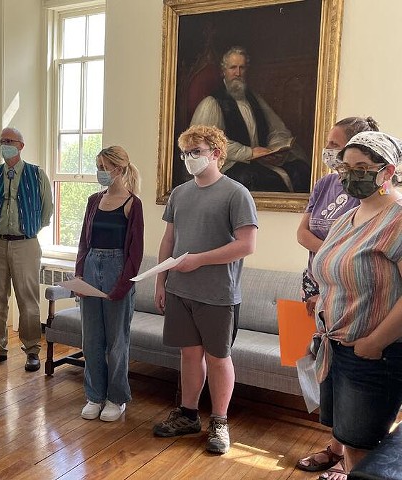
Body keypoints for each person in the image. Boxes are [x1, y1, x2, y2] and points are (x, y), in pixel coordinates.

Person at [152, 125, 258, 454]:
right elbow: (169, 240)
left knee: (218, 358)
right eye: (185, 153)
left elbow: (246, 245)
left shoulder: (236, 193)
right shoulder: (180, 194)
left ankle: (220, 421)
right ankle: (187, 414)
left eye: (196, 151)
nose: (189, 158)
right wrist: (160, 280)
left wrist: (199, 260)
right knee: (188, 354)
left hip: (218, 293)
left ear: (215, 153)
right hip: (180, 290)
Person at [311, 131, 402, 476]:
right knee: (349, 441)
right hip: (337, 346)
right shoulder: (346, 218)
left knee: (364, 449)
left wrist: (374, 343)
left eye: (362, 167)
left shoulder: (397, 219)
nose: (350, 175)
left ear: (387, 171)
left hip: (373, 354)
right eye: (346, 167)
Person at [295, 117, 379, 480]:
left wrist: (332, 253)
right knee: (322, 367)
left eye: (335, 144)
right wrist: (331, 253)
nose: (329, 151)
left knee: (354, 377)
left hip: (352, 294)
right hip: (315, 286)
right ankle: (336, 447)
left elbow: (361, 248)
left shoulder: (369, 194)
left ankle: (351, 461)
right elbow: (302, 233)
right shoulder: (326, 182)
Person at [75, 146, 144, 422]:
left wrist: (122, 286)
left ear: (118, 169)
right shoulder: (93, 201)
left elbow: (135, 252)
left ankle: (117, 398)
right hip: (92, 268)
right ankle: (95, 395)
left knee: (117, 342)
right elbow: (84, 241)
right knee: (91, 339)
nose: (100, 172)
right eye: (97, 166)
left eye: (104, 167)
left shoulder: (132, 204)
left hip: (118, 271)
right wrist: (79, 275)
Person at [0, 127, 53, 372]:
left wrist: (27, 229)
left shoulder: (37, 174)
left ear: (21, 146)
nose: (4, 145)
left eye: (9, 141)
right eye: (1, 141)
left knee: (28, 301)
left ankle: (32, 351)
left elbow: (46, 211)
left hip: (26, 243)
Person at [190, 46, 311, 193]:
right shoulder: (211, 103)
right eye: (233, 68)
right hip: (229, 165)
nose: (238, 73)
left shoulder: (255, 100)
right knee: (261, 180)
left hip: (261, 162)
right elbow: (208, 142)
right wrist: (249, 153)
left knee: (301, 170)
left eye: (242, 68)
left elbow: (278, 129)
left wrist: (273, 150)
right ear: (223, 72)